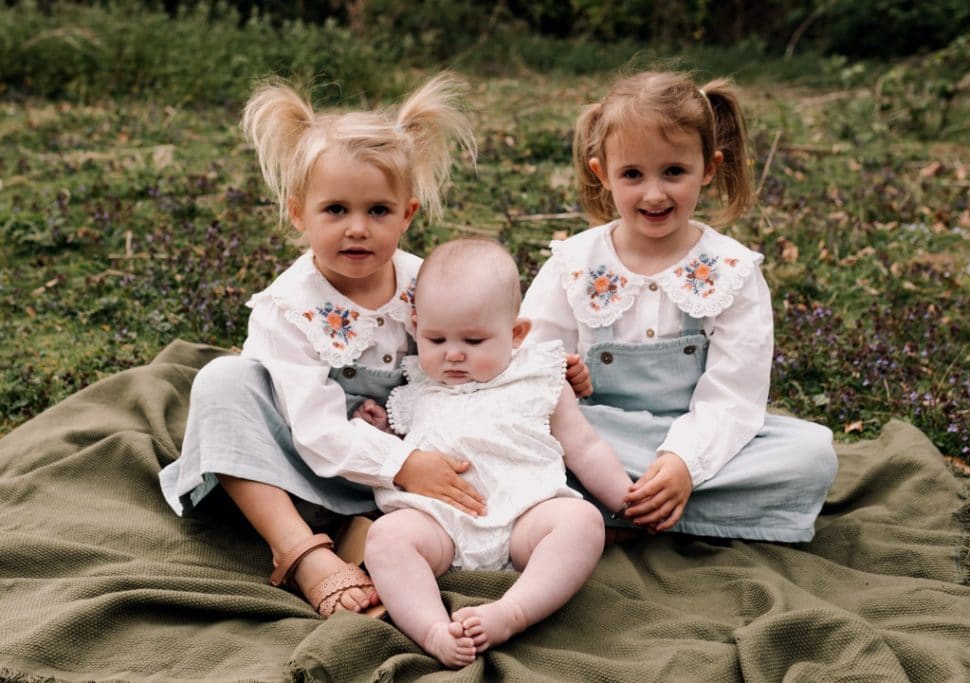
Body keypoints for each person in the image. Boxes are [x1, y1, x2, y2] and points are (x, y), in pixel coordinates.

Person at [158, 73, 484, 618]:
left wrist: (541, 366)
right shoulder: (289, 306)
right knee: (222, 380)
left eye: (377, 211)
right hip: (294, 471)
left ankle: (378, 541)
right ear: (298, 213)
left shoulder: (427, 283)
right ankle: (301, 552)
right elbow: (312, 430)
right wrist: (403, 461)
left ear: (407, 214)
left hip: (399, 474)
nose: (357, 228)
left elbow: (477, 352)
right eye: (335, 210)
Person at [521, 71, 838, 543]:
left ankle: (621, 506)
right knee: (525, 442)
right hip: (595, 438)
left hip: (700, 440)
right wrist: (559, 373)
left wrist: (683, 463)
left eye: (674, 171)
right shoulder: (573, 265)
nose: (654, 194)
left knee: (812, 455)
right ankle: (645, 504)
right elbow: (528, 365)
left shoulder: (730, 270)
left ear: (708, 169)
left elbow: (734, 394)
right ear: (601, 174)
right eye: (632, 174)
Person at [358, 238, 634, 668]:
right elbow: (397, 453)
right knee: (386, 539)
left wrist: (625, 497)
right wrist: (380, 428)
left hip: (525, 516)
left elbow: (585, 445)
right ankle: (433, 629)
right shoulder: (415, 390)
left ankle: (512, 612)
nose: (452, 353)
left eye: (473, 340)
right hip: (439, 525)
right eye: (435, 338)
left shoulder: (540, 377)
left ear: (516, 333)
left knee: (582, 522)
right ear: (416, 326)